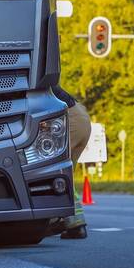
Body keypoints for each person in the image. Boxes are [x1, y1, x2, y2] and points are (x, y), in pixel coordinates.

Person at [52, 85, 90, 239]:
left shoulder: (34, 83)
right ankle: (69, 222)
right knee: (65, 174)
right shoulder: (46, 81)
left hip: (72, 120)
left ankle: (73, 224)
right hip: (82, 119)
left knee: (54, 170)